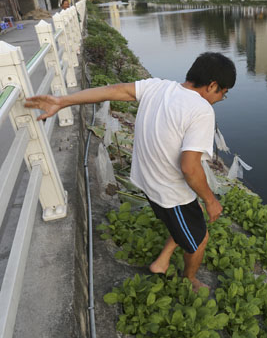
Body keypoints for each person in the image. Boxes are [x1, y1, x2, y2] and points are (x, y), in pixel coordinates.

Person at [25, 52, 236, 292]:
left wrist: (63, 100)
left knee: (190, 216)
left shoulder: (158, 87)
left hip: (146, 182)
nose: (220, 99)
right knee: (199, 240)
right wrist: (211, 200)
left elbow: (114, 89)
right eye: (223, 93)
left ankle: (161, 261)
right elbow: (190, 167)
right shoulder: (202, 110)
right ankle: (189, 280)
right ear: (212, 85)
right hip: (169, 194)